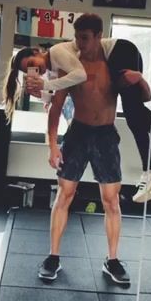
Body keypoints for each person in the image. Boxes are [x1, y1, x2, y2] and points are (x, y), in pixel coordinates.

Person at [24, 14, 151, 203]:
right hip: (119, 60)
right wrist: (41, 93)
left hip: (122, 52)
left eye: (32, 63)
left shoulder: (56, 52)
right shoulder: (55, 69)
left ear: (37, 52)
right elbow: (58, 95)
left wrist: (45, 86)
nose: (79, 43)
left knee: (133, 113)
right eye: (28, 70)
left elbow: (79, 76)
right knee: (135, 113)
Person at [39, 19, 130, 285]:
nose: (80, 43)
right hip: (78, 133)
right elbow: (56, 107)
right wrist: (52, 145)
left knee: (111, 201)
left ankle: (112, 261)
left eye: (86, 38)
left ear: (100, 36)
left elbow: (141, 98)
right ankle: (53, 257)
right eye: (77, 37)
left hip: (105, 136)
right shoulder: (70, 64)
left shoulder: (112, 63)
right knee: (64, 195)